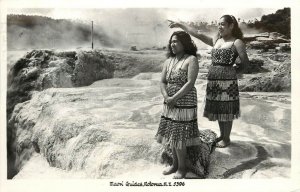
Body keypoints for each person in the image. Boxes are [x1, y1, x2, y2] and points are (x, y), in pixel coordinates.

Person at [168, 15, 250, 148]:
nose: (220, 27)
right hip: (213, 81)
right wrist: (181, 25)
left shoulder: (237, 42)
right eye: (218, 24)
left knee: (226, 110)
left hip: (228, 83)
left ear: (231, 25)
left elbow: (246, 64)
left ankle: (227, 138)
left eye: (223, 24)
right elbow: (197, 34)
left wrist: (233, 73)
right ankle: (222, 135)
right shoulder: (216, 40)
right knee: (218, 108)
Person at [156, 31, 216, 179]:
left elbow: (190, 83)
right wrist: (166, 97)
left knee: (179, 135)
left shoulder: (191, 59)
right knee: (171, 133)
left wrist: (174, 98)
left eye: (176, 41)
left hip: (184, 101)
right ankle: (175, 165)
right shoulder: (168, 61)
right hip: (169, 101)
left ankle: (182, 168)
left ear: (185, 43)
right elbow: (163, 81)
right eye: (171, 41)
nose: (172, 44)